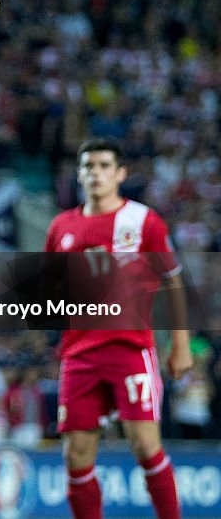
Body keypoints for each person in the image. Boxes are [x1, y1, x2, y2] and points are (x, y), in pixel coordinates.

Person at [45, 137, 193, 519]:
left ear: (121, 173)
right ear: (78, 175)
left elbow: (172, 281)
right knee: (76, 456)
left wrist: (181, 345)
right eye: (88, 166)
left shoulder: (144, 221)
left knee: (145, 446)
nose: (96, 173)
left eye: (104, 166)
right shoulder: (61, 227)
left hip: (130, 350)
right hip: (78, 355)